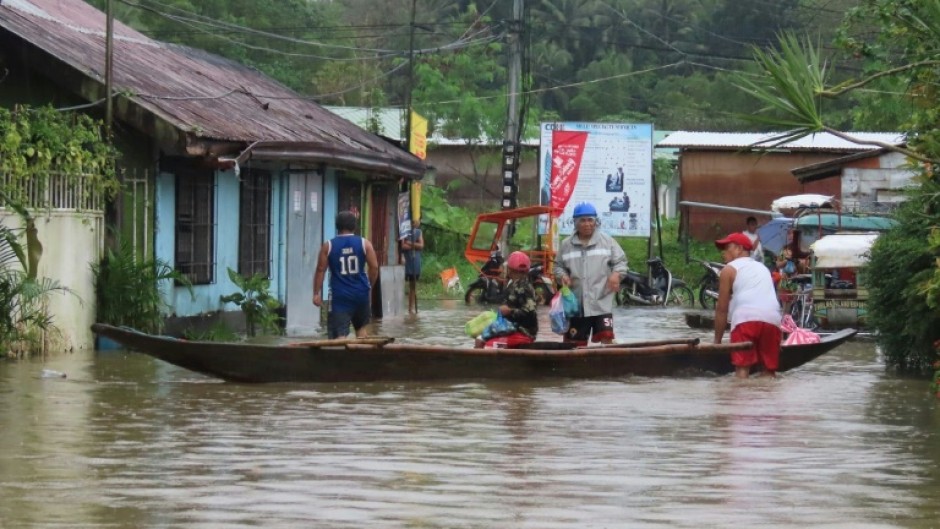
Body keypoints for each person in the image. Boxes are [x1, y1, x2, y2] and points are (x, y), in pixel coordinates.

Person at [553, 202, 628, 345]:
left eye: (590, 220)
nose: (587, 224)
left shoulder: (607, 242)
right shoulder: (566, 245)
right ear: (575, 223)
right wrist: (562, 276)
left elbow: (621, 262)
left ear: (595, 222)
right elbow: (558, 266)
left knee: (607, 338)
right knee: (574, 345)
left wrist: (616, 274)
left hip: (602, 302)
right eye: (582, 220)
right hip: (576, 305)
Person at [713, 232, 782, 378]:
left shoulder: (728, 269)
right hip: (772, 319)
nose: (723, 253)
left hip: (745, 319)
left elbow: (722, 310)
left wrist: (717, 342)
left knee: (742, 369)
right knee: (769, 372)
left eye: (727, 248)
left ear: (739, 249)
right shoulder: (763, 267)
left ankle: (742, 390)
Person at [313, 211, 379, 339]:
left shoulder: (328, 246)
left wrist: (316, 293)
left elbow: (321, 270)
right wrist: (368, 285)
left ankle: (340, 351)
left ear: (337, 226)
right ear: (354, 226)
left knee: (339, 336)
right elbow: (374, 267)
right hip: (361, 294)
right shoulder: (365, 243)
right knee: (361, 332)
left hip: (339, 297)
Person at [475, 251, 538, 349]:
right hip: (513, 327)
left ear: (510, 269)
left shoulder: (524, 287)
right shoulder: (514, 284)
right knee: (481, 336)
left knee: (483, 342)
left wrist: (510, 311)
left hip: (522, 331)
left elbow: (530, 314)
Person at [401, 218, 424, 314]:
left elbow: (421, 245)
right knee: (402, 285)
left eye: (416, 221)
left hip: (415, 261)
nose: (414, 223)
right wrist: (415, 246)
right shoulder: (404, 231)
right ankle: (402, 308)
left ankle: (411, 308)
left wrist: (409, 243)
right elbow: (402, 246)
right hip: (406, 261)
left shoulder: (418, 232)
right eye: (413, 221)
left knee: (413, 286)